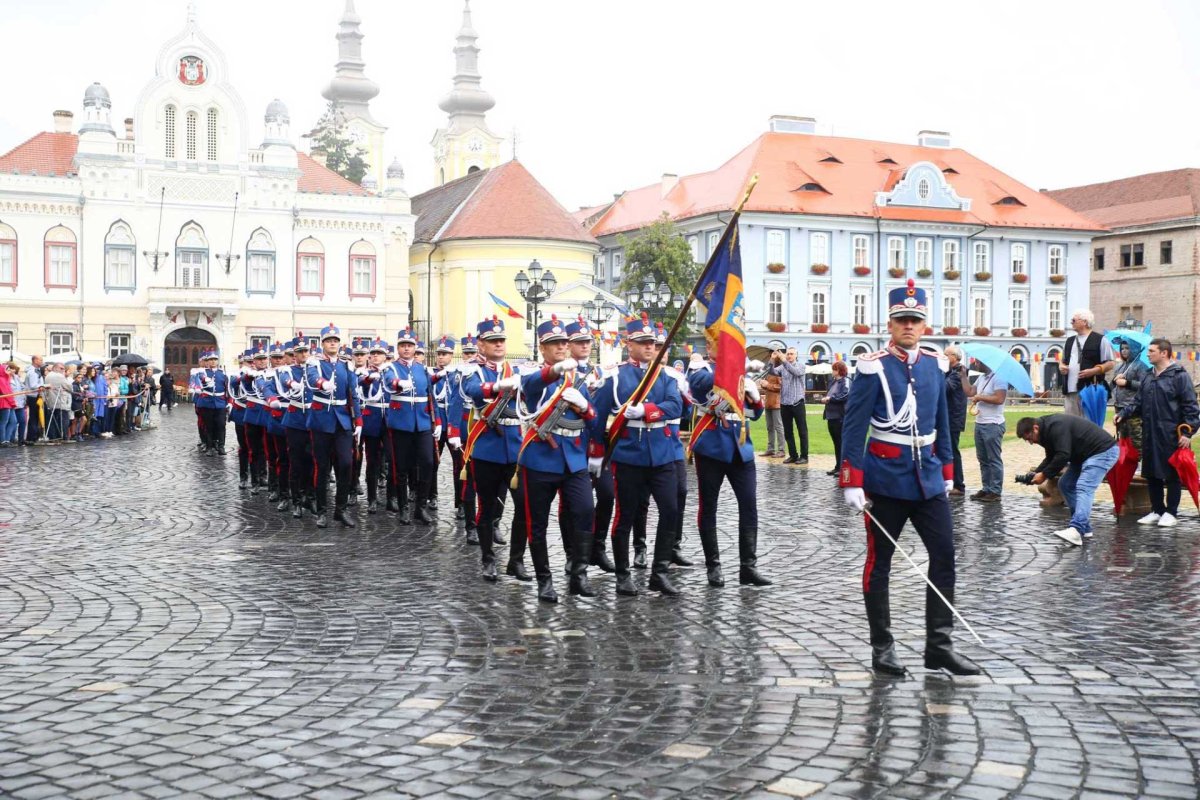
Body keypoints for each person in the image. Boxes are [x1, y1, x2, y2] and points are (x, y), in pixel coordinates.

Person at [839, 279, 980, 677]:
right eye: (901, 319)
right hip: (885, 479)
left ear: (924, 325)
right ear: (890, 323)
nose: (908, 326)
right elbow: (854, 426)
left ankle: (939, 647)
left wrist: (948, 469)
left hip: (928, 478)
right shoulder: (873, 366)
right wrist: (852, 479)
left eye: (915, 320)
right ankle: (882, 648)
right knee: (879, 563)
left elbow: (941, 422)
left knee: (945, 555)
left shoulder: (935, 363)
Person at [590, 312, 686, 596]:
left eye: (652, 343)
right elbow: (597, 418)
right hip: (629, 455)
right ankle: (623, 574)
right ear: (628, 344)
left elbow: (676, 407)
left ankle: (659, 572)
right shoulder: (615, 377)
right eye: (643, 342)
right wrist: (596, 454)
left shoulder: (665, 375)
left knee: (670, 510)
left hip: (662, 454)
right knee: (626, 516)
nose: (649, 347)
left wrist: (646, 410)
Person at [516, 316, 598, 602]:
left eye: (564, 342)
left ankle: (578, 574)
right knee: (537, 522)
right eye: (554, 344)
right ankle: (544, 580)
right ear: (542, 348)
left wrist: (584, 406)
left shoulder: (577, 380)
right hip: (540, 459)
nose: (561, 347)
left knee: (585, 511)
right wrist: (554, 371)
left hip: (573, 459)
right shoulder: (535, 376)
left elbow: (592, 419)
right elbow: (530, 385)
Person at [686, 348, 772, 587]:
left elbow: (755, 413)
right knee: (709, 507)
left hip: (740, 446)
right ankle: (713, 566)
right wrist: (737, 370)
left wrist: (754, 396)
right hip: (711, 446)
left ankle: (748, 567)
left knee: (749, 505)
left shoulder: (741, 374)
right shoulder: (701, 369)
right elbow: (700, 386)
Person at [459, 316, 527, 582]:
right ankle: (488, 559)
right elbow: (471, 391)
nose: (498, 344)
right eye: (492, 341)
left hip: (516, 447)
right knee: (486, 507)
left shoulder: (518, 369)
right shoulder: (473, 370)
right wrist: (497, 386)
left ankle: (516, 560)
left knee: (524, 505)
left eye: (501, 340)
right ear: (481, 344)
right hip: (487, 448)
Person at [1115, 338, 1200, 528]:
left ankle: (1171, 512)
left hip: (1171, 433)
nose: (1148, 354)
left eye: (1152, 351)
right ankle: (1157, 509)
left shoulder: (1179, 376)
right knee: (1151, 472)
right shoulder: (1148, 375)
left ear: (1164, 353)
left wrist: (1188, 432)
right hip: (1149, 431)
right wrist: (1123, 414)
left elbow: (1191, 406)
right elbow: (1138, 402)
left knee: (1172, 473)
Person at [1017, 415, 1120, 546]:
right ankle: (1085, 528)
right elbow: (1051, 457)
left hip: (1103, 451)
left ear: (1035, 428)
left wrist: (1044, 475)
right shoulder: (1044, 432)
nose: (1031, 442)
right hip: (1083, 455)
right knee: (1066, 484)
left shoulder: (1056, 427)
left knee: (1084, 486)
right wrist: (1036, 473)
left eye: (1030, 438)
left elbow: (1063, 455)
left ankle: (1076, 529)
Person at [306, 323, 362, 528]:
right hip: (322, 420)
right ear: (323, 343)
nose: (332, 344)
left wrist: (358, 420)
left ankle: (341, 509)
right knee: (322, 467)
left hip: (343, 420)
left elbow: (353, 393)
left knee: (346, 464)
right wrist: (322, 383)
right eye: (329, 341)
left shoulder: (346, 365)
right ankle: (321, 511)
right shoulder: (314, 362)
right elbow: (312, 379)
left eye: (335, 341)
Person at [382, 327, 437, 526]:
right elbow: (389, 382)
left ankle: (420, 507)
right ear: (398, 348)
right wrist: (399, 383)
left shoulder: (422, 369)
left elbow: (431, 397)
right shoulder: (391, 367)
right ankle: (404, 507)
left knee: (428, 463)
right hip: (401, 423)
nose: (406, 349)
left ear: (415, 348)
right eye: (403, 345)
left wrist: (437, 421)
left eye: (410, 345)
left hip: (422, 423)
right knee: (401, 467)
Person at [962, 361, 1008, 502]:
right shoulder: (982, 378)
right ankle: (987, 488)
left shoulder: (999, 378)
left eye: (977, 361)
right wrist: (963, 376)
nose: (975, 364)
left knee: (993, 459)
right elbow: (970, 392)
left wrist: (980, 397)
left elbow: (1000, 399)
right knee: (983, 459)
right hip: (980, 423)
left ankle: (995, 491)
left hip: (993, 424)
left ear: (985, 362)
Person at [1060, 309, 1115, 418]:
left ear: (1084, 322)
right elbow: (1062, 361)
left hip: (1090, 390)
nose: (1071, 322)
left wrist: (1094, 371)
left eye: (1074, 320)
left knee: (1089, 423)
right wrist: (1061, 366)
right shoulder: (1069, 341)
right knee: (1071, 423)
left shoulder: (1101, 340)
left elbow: (1111, 363)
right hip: (1070, 391)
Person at [1111, 337, 1149, 452]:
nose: (1124, 351)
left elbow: (1145, 385)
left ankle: (1140, 460)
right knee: (1123, 440)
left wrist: (1127, 383)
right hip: (1119, 408)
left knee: (1136, 441)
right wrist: (1114, 381)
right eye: (1122, 348)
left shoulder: (1140, 366)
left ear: (1134, 349)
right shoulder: (1119, 366)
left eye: (1127, 348)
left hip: (1133, 410)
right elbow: (1112, 387)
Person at [770, 346, 808, 464]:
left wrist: (784, 360)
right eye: (788, 354)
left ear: (796, 355)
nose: (789, 355)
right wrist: (772, 360)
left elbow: (795, 372)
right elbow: (772, 372)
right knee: (788, 431)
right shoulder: (782, 366)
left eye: (791, 354)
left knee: (802, 431)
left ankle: (804, 456)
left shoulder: (801, 366)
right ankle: (793, 455)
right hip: (785, 403)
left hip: (797, 403)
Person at [943, 346, 969, 496]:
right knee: (947, 450)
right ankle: (949, 480)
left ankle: (958, 485)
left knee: (953, 451)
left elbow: (946, 387)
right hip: (948, 416)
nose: (944, 356)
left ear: (955, 357)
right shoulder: (950, 371)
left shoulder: (959, 371)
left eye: (946, 354)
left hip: (953, 417)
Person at [821, 361, 850, 476]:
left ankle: (842, 468)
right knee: (836, 443)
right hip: (831, 416)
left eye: (834, 369)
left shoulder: (846, 381)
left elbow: (845, 395)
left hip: (840, 416)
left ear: (839, 370)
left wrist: (830, 398)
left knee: (841, 442)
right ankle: (838, 466)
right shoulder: (833, 382)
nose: (832, 371)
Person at [759, 341, 785, 457]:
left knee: (778, 427)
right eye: (770, 355)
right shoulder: (769, 369)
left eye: (773, 355)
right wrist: (763, 384)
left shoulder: (780, 370)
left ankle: (781, 450)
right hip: (768, 401)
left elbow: (781, 387)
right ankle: (771, 449)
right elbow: (767, 385)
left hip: (776, 402)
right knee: (769, 427)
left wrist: (767, 385)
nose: (771, 357)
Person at [0, 361, 14, 445]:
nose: (8, 371)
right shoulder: (2, 379)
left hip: (6, 403)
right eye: (7, 369)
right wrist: (12, 402)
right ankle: (2, 440)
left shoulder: (5, 379)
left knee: (9, 422)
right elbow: (7, 392)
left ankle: (5, 439)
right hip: (4, 403)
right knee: (3, 422)